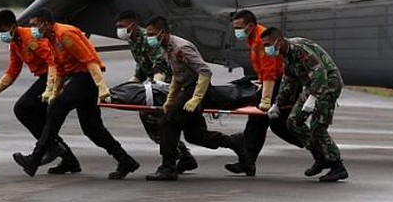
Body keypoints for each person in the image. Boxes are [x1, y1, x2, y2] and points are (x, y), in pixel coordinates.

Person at [11, 8, 140, 180]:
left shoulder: (65, 34)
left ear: (46, 24)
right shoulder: (51, 38)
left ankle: (35, 159)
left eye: (34, 25)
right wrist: (54, 92)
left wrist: (102, 87)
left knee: (56, 110)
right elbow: (60, 69)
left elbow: (90, 61)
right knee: (92, 128)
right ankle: (125, 160)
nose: (31, 28)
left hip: (86, 77)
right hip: (78, 78)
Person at [144, 15, 246, 181]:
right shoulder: (167, 48)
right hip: (187, 88)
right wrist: (170, 99)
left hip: (198, 88)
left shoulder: (181, 47)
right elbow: (178, 76)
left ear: (162, 33)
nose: (148, 38)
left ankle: (168, 168)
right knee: (195, 135)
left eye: (151, 33)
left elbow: (205, 71)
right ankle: (235, 142)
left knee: (169, 122)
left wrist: (196, 98)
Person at [0, 9, 80, 174]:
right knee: (44, 121)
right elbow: (13, 69)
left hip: (56, 75)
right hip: (45, 77)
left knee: (22, 108)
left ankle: (52, 149)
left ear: (14, 26)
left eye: (4, 31)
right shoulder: (15, 43)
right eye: (0, 32)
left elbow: (52, 60)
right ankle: (68, 159)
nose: (3, 35)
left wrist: (51, 88)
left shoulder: (30, 38)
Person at [114, 10, 198, 174]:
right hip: (155, 83)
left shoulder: (148, 38)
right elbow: (142, 64)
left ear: (132, 25)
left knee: (153, 118)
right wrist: (132, 83)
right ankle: (184, 157)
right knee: (156, 119)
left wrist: (154, 85)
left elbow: (160, 63)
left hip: (168, 83)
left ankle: (177, 157)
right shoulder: (134, 40)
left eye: (121, 26)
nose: (119, 30)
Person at [262, 27, 349, 182]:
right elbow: (288, 81)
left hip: (328, 84)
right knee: (293, 122)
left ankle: (337, 166)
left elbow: (320, 72)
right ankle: (320, 157)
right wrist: (277, 104)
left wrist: (313, 98)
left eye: (268, 44)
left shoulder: (299, 50)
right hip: (312, 86)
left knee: (318, 127)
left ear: (279, 41)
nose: (266, 49)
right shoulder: (286, 54)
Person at [225, 10, 302, 176]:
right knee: (256, 123)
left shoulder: (262, 41)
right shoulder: (253, 38)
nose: (236, 31)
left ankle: (320, 150)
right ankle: (247, 162)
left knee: (280, 125)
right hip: (273, 83)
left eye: (239, 27)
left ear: (250, 26)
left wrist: (266, 99)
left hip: (281, 84)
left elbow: (270, 71)